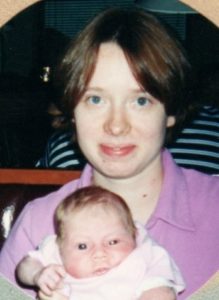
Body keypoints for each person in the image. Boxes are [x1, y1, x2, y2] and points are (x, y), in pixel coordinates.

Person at [0, 7, 219, 300]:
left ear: (170, 111)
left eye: (140, 100)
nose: (116, 125)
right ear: (73, 111)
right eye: (95, 99)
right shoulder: (38, 223)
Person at [16, 186, 184, 300]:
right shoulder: (55, 254)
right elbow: (25, 266)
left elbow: (161, 291)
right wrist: (38, 275)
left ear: (134, 235)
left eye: (112, 242)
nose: (99, 254)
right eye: (82, 246)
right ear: (60, 247)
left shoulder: (144, 253)